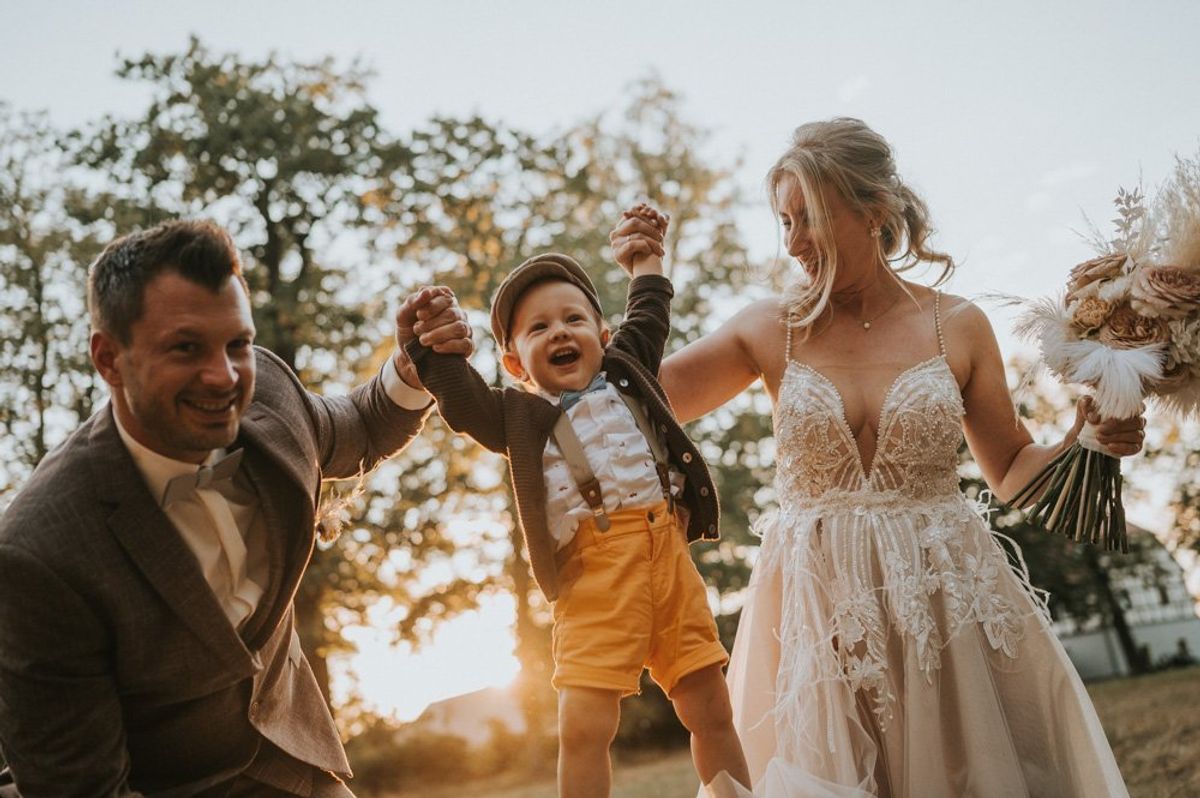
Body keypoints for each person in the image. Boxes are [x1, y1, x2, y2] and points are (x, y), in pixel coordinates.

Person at [611, 119, 1140, 797]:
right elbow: (632, 405)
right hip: (814, 607)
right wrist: (647, 278)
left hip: (942, 605)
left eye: (809, 217)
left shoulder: (958, 325)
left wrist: (1082, 440)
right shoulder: (770, 327)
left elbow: (1010, 470)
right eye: (784, 222)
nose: (793, 243)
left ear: (873, 211)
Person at [0, 219, 471, 796]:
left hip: (286, 762)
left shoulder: (269, 392)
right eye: (186, 348)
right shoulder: (37, 556)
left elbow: (361, 427)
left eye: (237, 344)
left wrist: (411, 369)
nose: (224, 377)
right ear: (109, 359)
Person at [400, 204, 751, 798]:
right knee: (585, 727)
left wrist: (647, 260)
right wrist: (429, 342)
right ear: (515, 363)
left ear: (603, 336)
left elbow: (650, 314)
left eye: (573, 319)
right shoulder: (517, 415)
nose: (560, 332)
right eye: (538, 329)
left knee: (709, 706)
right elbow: (461, 400)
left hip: (668, 562)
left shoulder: (628, 371)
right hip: (594, 581)